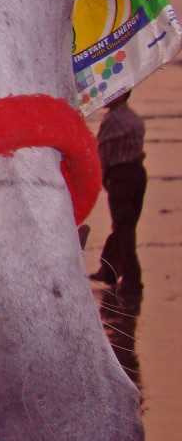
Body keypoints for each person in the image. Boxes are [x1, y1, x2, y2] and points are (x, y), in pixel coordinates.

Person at [93, 92, 146, 294]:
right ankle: (109, 270)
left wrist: (103, 179)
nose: (105, 97)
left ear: (121, 95)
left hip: (121, 177)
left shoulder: (112, 119)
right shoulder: (134, 118)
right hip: (138, 174)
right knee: (127, 225)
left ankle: (132, 279)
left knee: (123, 228)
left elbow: (103, 154)